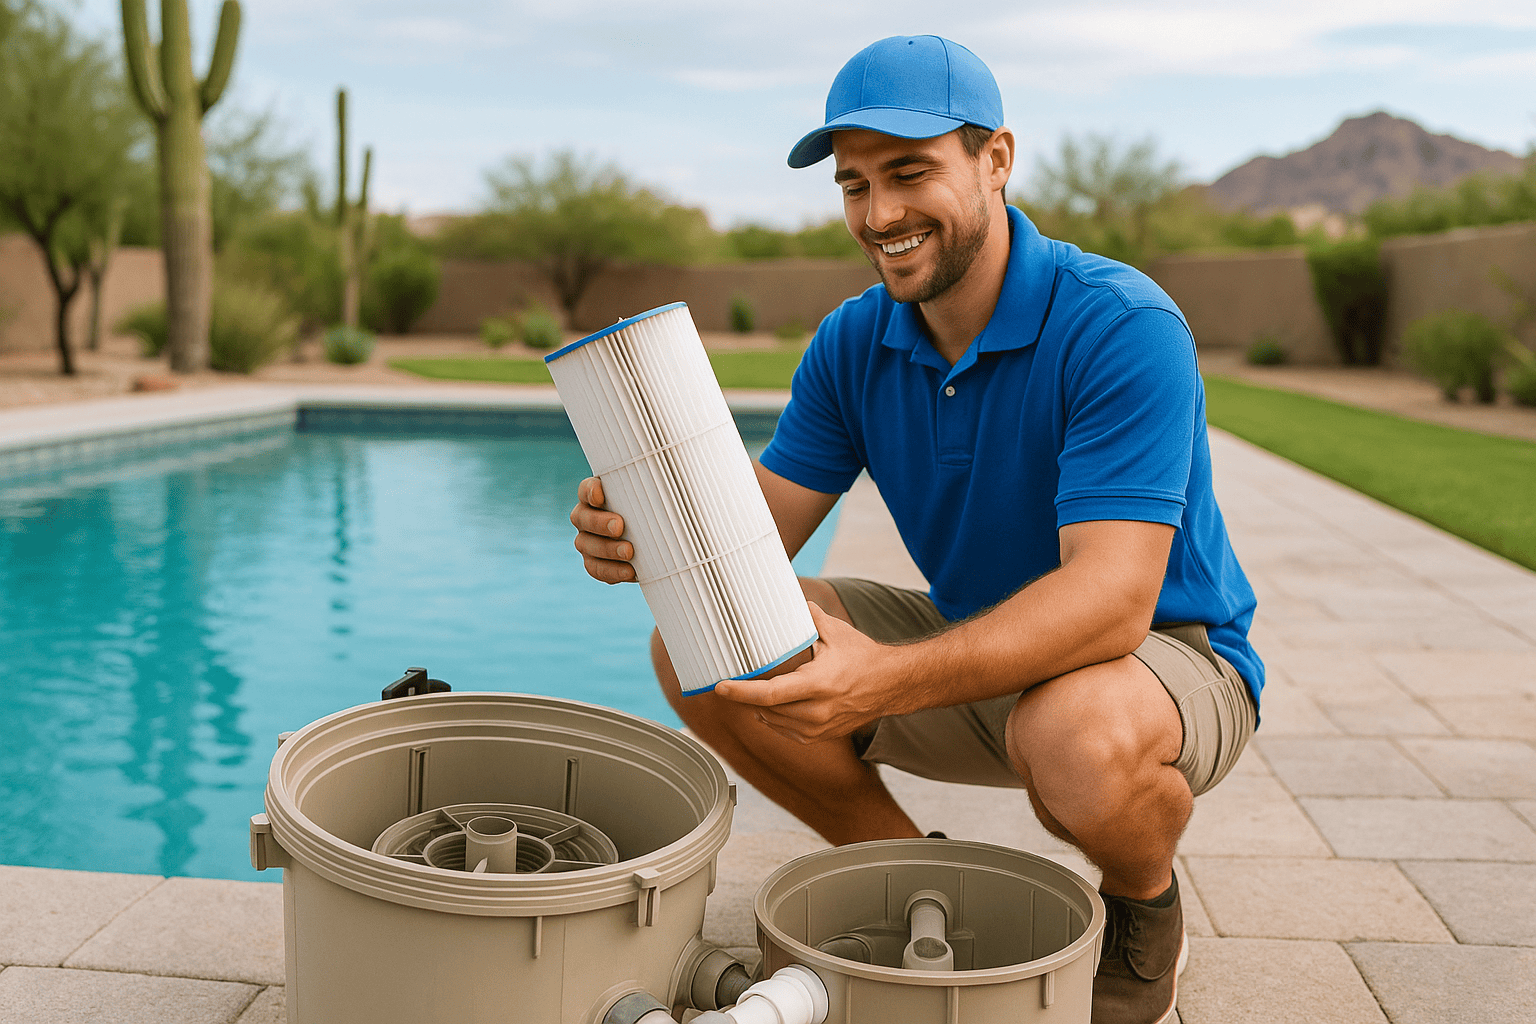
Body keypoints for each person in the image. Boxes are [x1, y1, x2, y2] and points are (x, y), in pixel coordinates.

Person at [571, 34, 1262, 1024]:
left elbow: (1112, 603)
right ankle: (900, 876)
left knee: (1069, 731)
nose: (879, 214)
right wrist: (637, 539)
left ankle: (1142, 905)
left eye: (908, 172)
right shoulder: (855, 340)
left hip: (1168, 658)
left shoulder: (1119, 324)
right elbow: (749, 548)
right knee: (704, 644)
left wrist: (882, 678)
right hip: (981, 643)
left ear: (995, 161)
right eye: (854, 185)